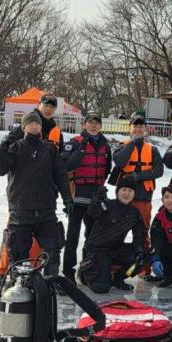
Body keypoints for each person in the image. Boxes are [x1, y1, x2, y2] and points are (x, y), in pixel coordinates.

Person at [0, 94, 65, 286]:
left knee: (46, 242)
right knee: (14, 239)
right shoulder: (24, 126)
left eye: (52, 106)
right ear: (39, 105)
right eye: (45, 105)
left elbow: (60, 161)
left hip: (44, 196)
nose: (48, 109)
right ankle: (2, 271)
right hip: (21, 197)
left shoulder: (55, 131)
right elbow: (4, 162)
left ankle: (38, 274)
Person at [109, 113, 164, 280]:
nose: (138, 129)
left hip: (143, 197)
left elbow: (159, 171)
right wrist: (132, 143)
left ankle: (144, 269)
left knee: (143, 233)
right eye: (135, 126)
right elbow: (120, 161)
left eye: (141, 126)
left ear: (145, 129)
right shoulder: (121, 146)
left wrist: (137, 176)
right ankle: (114, 267)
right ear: (130, 128)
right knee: (117, 232)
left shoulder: (152, 149)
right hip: (124, 200)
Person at [61, 111, 112, 286]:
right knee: (72, 237)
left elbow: (107, 169)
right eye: (90, 122)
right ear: (84, 124)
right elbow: (65, 166)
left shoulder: (105, 145)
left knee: (92, 237)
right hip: (77, 195)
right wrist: (81, 149)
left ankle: (86, 269)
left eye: (97, 122)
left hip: (95, 197)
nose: (93, 125)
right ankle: (68, 271)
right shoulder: (74, 143)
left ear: (101, 125)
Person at [78, 176, 146, 293]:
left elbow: (138, 236)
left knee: (142, 257)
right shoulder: (107, 205)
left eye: (130, 191)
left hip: (116, 249)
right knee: (102, 288)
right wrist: (97, 199)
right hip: (97, 250)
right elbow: (93, 212)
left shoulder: (134, 213)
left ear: (134, 194)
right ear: (117, 191)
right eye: (124, 190)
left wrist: (139, 251)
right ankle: (84, 271)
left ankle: (118, 279)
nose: (127, 193)